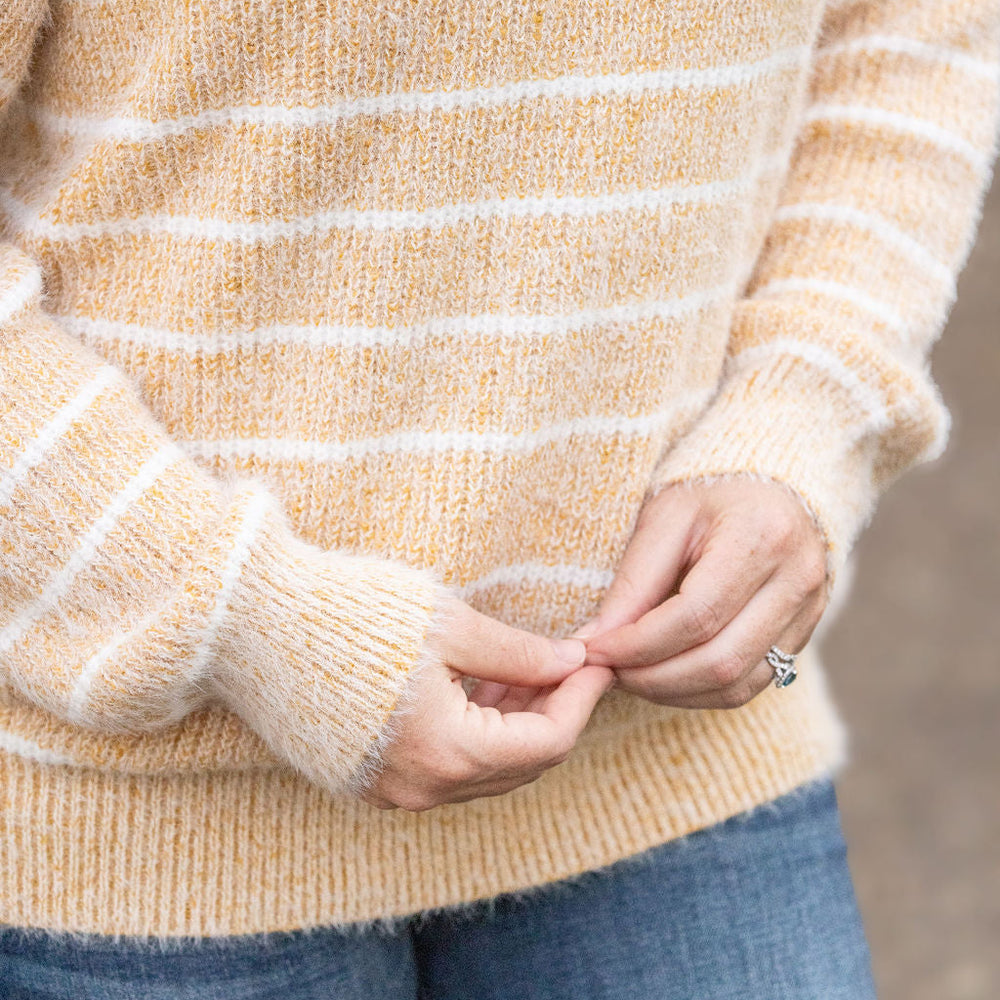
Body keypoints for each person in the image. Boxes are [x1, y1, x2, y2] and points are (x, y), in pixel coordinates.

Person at [0, 0, 996, 996]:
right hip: (138, 847)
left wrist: (801, 413)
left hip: (675, 775)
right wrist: (238, 614)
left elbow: (910, 37)